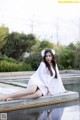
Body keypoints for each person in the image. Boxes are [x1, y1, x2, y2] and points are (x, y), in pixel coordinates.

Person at [0, 49, 66, 101]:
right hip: (37, 80)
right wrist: (47, 86)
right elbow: (41, 76)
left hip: (44, 85)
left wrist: (61, 88)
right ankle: (6, 96)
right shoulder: (43, 64)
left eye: (49, 56)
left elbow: (58, 77)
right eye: (46, 56)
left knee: (38, 94)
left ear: (52, 56)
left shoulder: (54, 65)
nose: (48, 58)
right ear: (44, 57)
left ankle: (14, 98)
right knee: (32, 90)